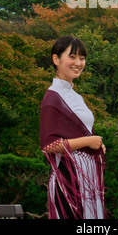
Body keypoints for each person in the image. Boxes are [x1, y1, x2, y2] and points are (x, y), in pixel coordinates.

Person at [40, 36, 106, 219]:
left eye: (82, 58)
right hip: (68, 180)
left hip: (87, 178)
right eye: (72, 57)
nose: (78, 63)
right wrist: (88, 141)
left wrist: (97, 145)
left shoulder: (76, 96)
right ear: (56, 59)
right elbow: (48, 145)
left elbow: (81, 135)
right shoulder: (52, 97)